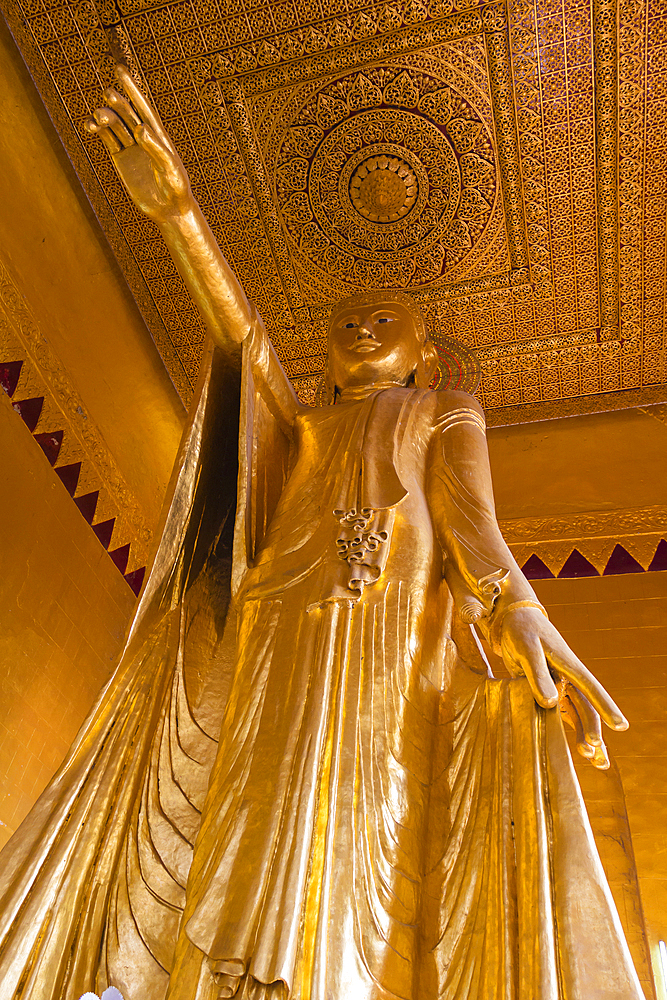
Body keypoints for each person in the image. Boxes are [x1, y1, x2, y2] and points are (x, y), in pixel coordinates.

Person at [0, 65, 645, 1000]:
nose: (360, 327)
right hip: (277, 625)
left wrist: (521, 614)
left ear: (423, 355)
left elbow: (474, 529)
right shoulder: (299, 428)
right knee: (252, 807)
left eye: (385, 320)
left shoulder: (444, 412)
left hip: (387, 632)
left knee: (366, 818)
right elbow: (244, 341)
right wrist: (180, 215)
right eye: (344, 321)